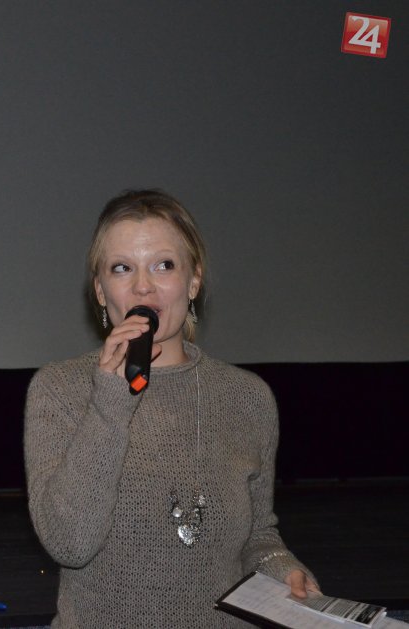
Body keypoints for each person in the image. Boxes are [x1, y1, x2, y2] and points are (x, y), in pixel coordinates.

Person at [23, 189, 318, 627]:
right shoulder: (60, 389)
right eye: (122, 268)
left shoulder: (248, 397)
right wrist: (110, 402)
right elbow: (69, 544)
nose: (143, 286)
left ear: (193, 281)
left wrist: (283, 569)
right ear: (100, 291)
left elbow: (258, 535)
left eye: (163, 265)